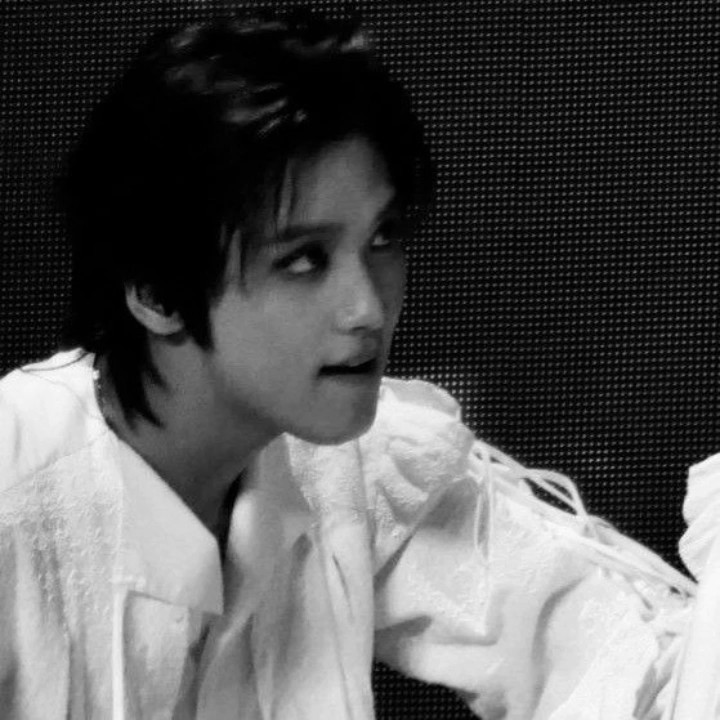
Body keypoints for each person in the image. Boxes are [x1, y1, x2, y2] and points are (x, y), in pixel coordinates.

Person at [0, 10, 703, 720]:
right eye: (304, 259)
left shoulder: (354, 467)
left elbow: (640, 674)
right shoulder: (14, 486)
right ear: (155, 290)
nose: (368, 307)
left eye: (384, 238)